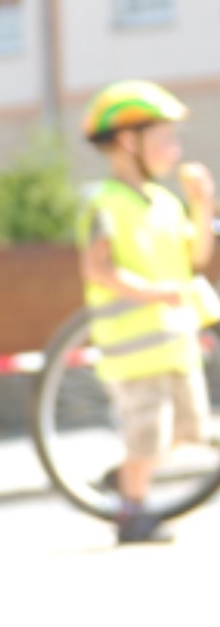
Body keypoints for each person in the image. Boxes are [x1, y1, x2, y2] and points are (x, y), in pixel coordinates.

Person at [77, 79, 218, 544]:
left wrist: (202, 204)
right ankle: (132, 514)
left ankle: (124, 478)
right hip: (134, 350)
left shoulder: (164, 202)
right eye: (164, 140)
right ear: (127, 141)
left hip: (175, 343)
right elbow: (99, 269)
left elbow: (196, 256)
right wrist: (155, 294)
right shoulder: (105, 203)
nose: (174, 150)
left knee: (190, 429)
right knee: (147, 435)